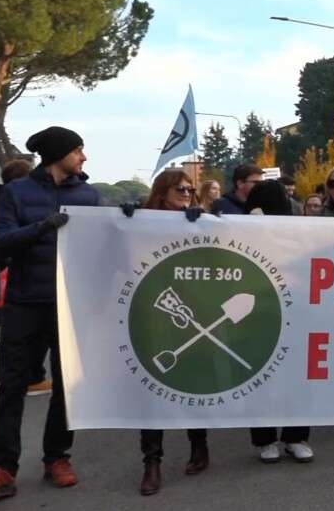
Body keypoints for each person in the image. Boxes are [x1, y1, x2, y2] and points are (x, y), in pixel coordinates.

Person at [0, 126, 101, 500]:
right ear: (59, 154)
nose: (84, 157)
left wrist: (125, 220)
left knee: (67, 387)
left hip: (69, 305)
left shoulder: (90, 196)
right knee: (11, 386)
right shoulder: (15, 193)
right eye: (78, 150)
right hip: (24, 304)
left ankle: (57, 457)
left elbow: (109, 246)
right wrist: (43, 226)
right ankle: (1, 468)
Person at [119, 170, 211, 495]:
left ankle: (199, 445)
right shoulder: (140, 221)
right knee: (152, 389)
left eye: (190, 189)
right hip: (151, 316)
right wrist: (125, 220)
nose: (187, 194)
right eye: (180, 189)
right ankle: (152, 462)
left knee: (193, 382)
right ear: (162, 191)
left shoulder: (199, 220)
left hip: (194, 308)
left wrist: (205, 223)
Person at [244, 179, 315, 463]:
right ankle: (265, 439)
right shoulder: (241, 229)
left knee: (296, 377)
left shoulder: (298, 232)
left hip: (294, 311)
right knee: (261, 377)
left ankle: (295, 437)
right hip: (256, 313)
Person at [0, 160, 51, 395]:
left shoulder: (0, 203)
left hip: (19, 282)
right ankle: (33, 377)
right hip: (29, 283)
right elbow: (0, 244)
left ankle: (29, 377)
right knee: (34, 336)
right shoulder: (16, 201)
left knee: (23, 341)